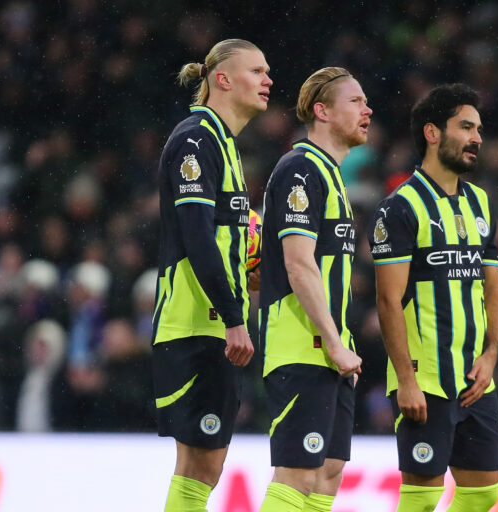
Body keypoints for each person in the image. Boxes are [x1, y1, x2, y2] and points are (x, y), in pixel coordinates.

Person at [368, 84, 498, 512]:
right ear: (432, 133)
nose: (477, 138)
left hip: (476, 377)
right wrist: (406, 380)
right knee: (422, 498)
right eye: (465, 127)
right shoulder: (400, 207)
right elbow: (388, 301)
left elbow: (493, 288)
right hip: (425, 378)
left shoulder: (480, 203)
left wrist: (491, 355)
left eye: (478, 129)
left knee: (483, 493)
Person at [152, 39, 272, 511]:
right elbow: (197, 237)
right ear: (222, 79)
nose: (268, 80)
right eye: (256, 71)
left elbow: (220, 239)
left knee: (204, 465)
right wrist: (234, 318)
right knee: (200, 464)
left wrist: (249, 269)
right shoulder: (196, 139)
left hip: (211, 323)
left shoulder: (224, 144)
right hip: (197, 324)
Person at [257, 67, 370, 512]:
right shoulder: (300, 170)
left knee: (328, 471)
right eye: (356, 101)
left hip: (329, 348)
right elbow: (299, 265)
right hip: (302, 345)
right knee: (298, 474)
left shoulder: (331, 175)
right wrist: (334, 342)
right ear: (322, 111)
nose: (367, 110)